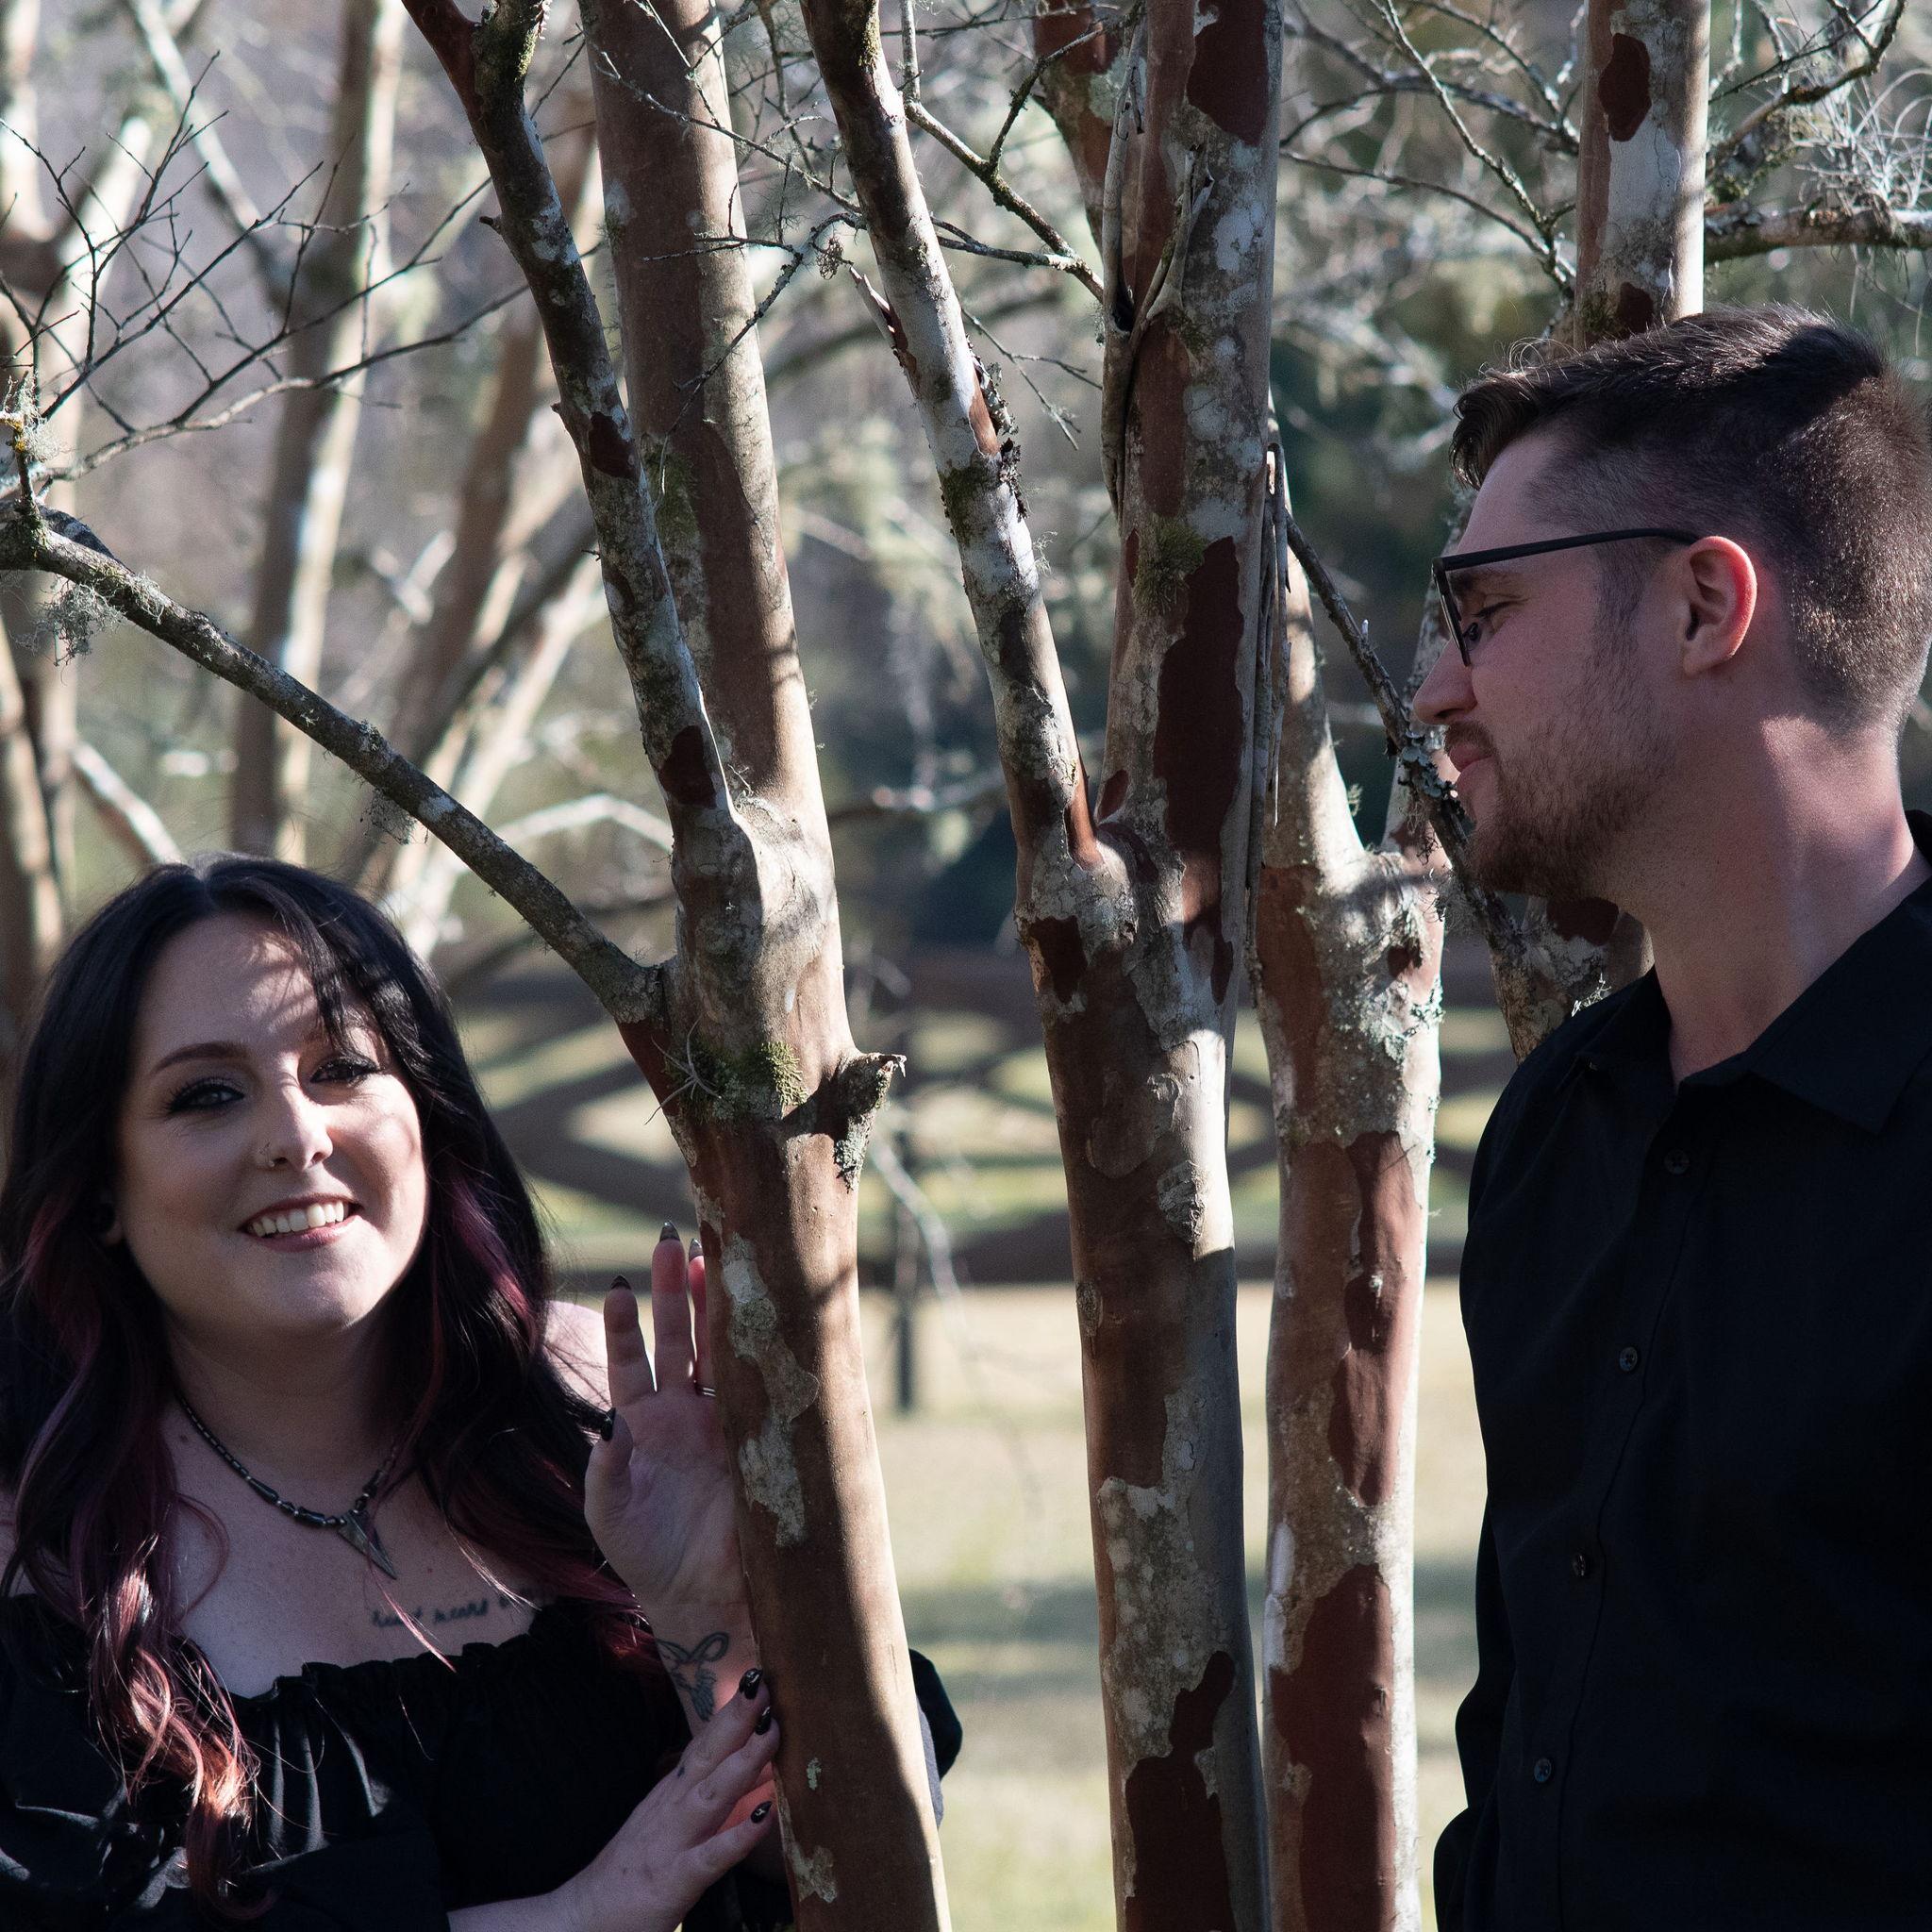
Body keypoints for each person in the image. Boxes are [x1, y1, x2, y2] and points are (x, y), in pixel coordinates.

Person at [0, 858, 958, 1927]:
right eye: (207, 1094)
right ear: (99, 1187)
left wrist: (714, 1614)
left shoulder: (609, 1413)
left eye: (342, 1067)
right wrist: (582, 1913)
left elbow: (866, 1845)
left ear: (429, 1114)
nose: (297, 1135)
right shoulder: (32, 1537)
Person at [1414, 306, 1932, 1930]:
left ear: (1705, 604)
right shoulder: (1553, 1133)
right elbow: (1529, 1748)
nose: (1432, 688)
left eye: (1485, 611)